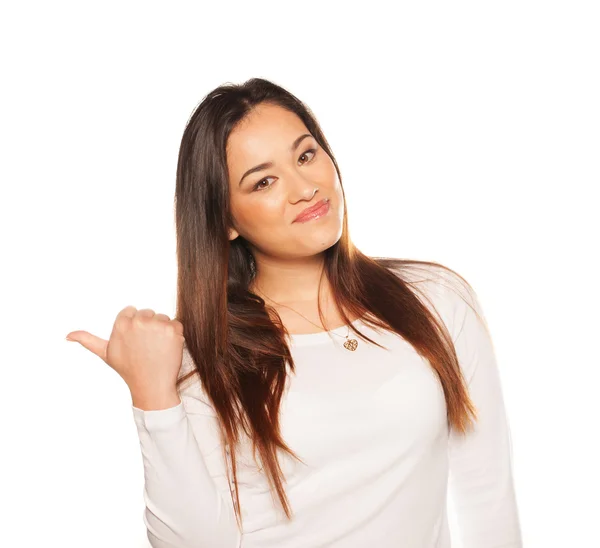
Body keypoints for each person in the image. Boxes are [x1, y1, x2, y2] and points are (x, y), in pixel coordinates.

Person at [66, 78, 523, 547]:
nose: (305, 188)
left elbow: (485, 493)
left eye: (305, 156)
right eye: (264, 181)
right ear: (225, 221)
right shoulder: (207, 356)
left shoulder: (436, 299)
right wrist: (153, 397)